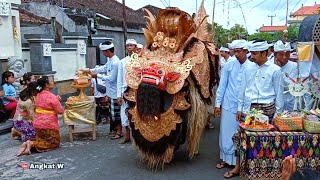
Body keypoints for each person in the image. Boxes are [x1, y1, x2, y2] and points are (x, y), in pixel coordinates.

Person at [215, 39, 254, 178]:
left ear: (246, 51)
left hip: (244, 107)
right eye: (235, 51)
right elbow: (222, 85)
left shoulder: (252, 66)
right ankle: (225, 159)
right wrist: (217, 104)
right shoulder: (229, 64)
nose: (236, 54)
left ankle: (238, 162)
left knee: (240, 134)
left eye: (239, 51)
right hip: (227, 104)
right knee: (226, 133)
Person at [237, 39, 284, 121]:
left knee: (265, 133)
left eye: (255, 54)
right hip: (248, 107)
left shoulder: (275, 70)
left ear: (264, 53)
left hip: (267, 108)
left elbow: (279, 93)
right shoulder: (247, 68)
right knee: (247, 133)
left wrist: (277, 114)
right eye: (251, 53)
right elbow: (242, 89)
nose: (252, 56)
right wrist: (239, 108)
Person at [17, 76, 64, 156]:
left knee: (42, 139)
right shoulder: (51, 96)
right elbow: (61, 111)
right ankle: (31, 144)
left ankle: (28, 144)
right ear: (47, 84)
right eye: (51, 81)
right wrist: (58, 101)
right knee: (54, 143)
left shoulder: (37, 95)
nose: (53, 82)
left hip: (37, 125)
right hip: (48, 125)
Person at [84, 41, 121, 138]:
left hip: (115, 92)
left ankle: (119, 132)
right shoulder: (110, 60)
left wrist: (97, 75)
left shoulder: (115, 62)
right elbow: (103, 68)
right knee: (112, 113)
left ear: (107, 51)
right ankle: (115, 130)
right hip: (110, 91)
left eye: (103, 51)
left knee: (116, 114)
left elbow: (111, 78)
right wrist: (91, 70)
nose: (102, 53)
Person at [117, 39, 137, 144]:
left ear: (135, 47)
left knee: (136, 113)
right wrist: (119, 95)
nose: (129, 47)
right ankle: (127, 135)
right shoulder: (122, 62)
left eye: (131, 46)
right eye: (127, 46)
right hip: (125, 89)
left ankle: (137, 136)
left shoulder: (140, 61)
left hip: (137, 90)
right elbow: (119, 79)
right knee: (124, 113)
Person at [274, 40, 297, 112]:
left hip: (289, 100)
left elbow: (289, 84)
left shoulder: (294, 66)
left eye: (287, 54)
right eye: (281, 54)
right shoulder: (270, 65)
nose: (284, 57)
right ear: (275, 54)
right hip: (273, 101)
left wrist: (280, 70)